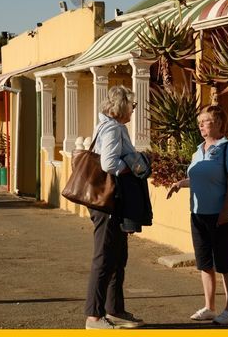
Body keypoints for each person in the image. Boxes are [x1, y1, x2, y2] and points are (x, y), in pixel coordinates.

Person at [165, 106, 228, 324]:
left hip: (220, 215)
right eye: (199, 122)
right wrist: (181, 183)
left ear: (218, 123)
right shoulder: (198, 150)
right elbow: (200, 178)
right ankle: (209, 307)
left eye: (206, 121)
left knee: (226, 262)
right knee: (205, 263)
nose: (201, 125)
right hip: (198, 214)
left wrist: (225, 211)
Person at [84, 86, 149, 329]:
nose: (133, 110)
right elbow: (109, 163)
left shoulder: (116, 127)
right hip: (107, 202)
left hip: (115, 201)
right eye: (131, 106)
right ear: (122, 106)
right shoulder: (111, 128)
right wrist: (133, 164)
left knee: (118, 257)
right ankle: (94, 316)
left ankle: (115, 309)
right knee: (104, 257)